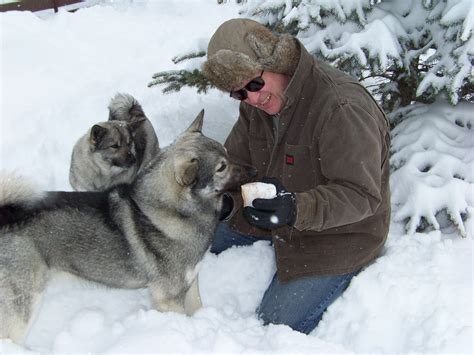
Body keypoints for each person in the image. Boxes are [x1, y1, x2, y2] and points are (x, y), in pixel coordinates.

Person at [202, 18, 391, 334]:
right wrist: (225, 203)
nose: (250, 98)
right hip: (274, 215)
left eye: (254, 84)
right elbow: (236, 163)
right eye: (238, 94)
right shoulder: (257, 107)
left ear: (278, 63)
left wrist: (295, 209)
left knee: (273, 327)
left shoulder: (340, 106)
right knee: (202, 235)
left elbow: (361, 195)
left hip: (339, 236)